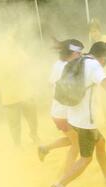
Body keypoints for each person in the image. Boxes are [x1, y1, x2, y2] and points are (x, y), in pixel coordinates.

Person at [51, 42, 106, 187]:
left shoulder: (80, 60)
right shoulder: (95, 66)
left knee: (101, 142)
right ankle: (60, 184)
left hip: (74, 116)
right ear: (103, 58)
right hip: (85, 121)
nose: (105, 64)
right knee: (86, 158)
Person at [38, 39, 84, 175]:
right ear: (71, 53)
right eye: (78, 53)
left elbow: (50, 84)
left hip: (59, 112)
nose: (80, 56)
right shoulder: (66, 67)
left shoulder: (58, 64)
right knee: (77, 144)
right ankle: (64, 175)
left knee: (74, 139)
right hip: (63, 114)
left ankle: (45, 148)